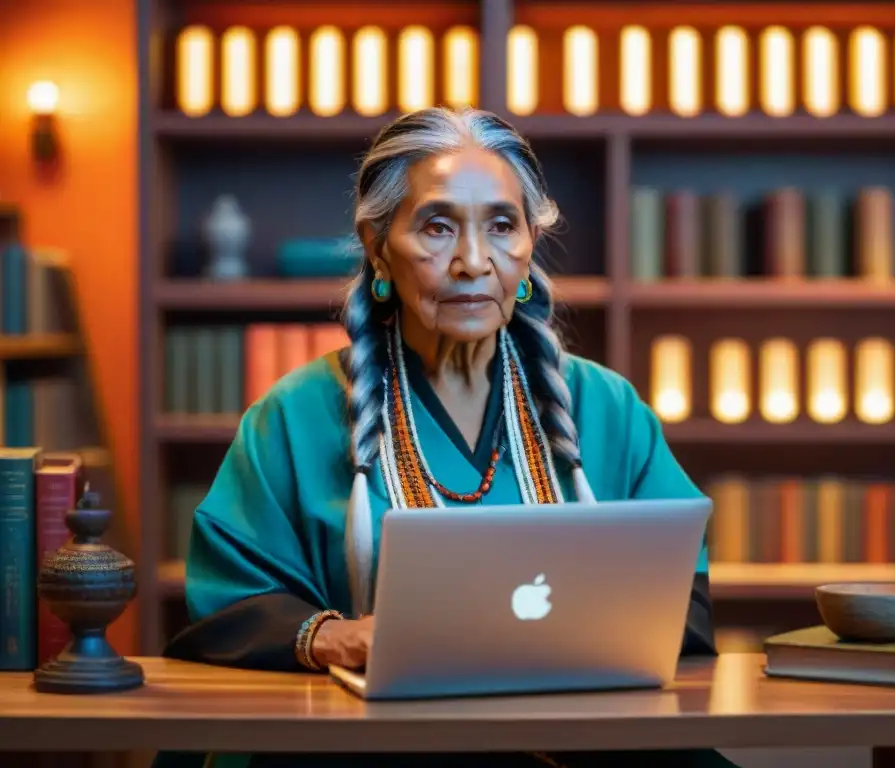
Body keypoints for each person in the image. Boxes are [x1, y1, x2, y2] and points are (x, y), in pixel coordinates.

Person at [155, 107, 738, 768]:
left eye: (500, 225)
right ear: (378, 247)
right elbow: (229, 606)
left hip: (571, 742)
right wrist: (335, 638)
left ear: (528, 245)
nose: (472, 261)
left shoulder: (603, 406)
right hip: (365, 750)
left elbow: (679, 601)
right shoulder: (295, 415)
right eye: (436, 227)